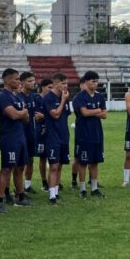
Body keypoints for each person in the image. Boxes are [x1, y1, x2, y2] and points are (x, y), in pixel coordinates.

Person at [0, 68, 31, 212]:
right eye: (16, 79)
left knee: (21, 167)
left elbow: (26, 119)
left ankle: (20, 196)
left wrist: (22, 114)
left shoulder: (17, 97)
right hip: (9, 138)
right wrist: (22, 113)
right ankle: (0, 200)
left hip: (20, 136)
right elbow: (14, 115)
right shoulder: (3, 96)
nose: (18, 81)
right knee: (6, 169)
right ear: (8, 80)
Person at [72, 71, 107, 198]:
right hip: (83, 135)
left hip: (97, 134)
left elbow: (105, 115)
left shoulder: (100, 97)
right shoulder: (79, 97)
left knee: (95, 162)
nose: (95, 84)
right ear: (86, 82)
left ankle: (94, 188)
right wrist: (97, 110)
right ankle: (82, 189)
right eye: (93, 81)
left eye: (96, 81)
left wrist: (94, 111)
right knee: (83, 162)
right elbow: (84, 113)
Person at [43, 73, 71, 205]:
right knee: (53, 166)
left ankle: (56, 192)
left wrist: (64, 100)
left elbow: (66, 115)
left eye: (66, 83)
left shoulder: (64, 97)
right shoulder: (49, 97)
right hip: (52, 137)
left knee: (60, 165)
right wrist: (63, 101)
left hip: (64, 136)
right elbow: (55, 114)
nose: (65, 86)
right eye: (63, 83)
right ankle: (51, 196)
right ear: (55, 84)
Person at [20, 72, 39, 194]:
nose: (33, 83)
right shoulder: (18, 96)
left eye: (33, 80)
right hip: (20, 133)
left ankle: (27, 185)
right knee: (19, 163)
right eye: (29, 81)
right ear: (22, 82)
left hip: (31, 132)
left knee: (30, 160)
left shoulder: (34, 96)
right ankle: (18, 188)